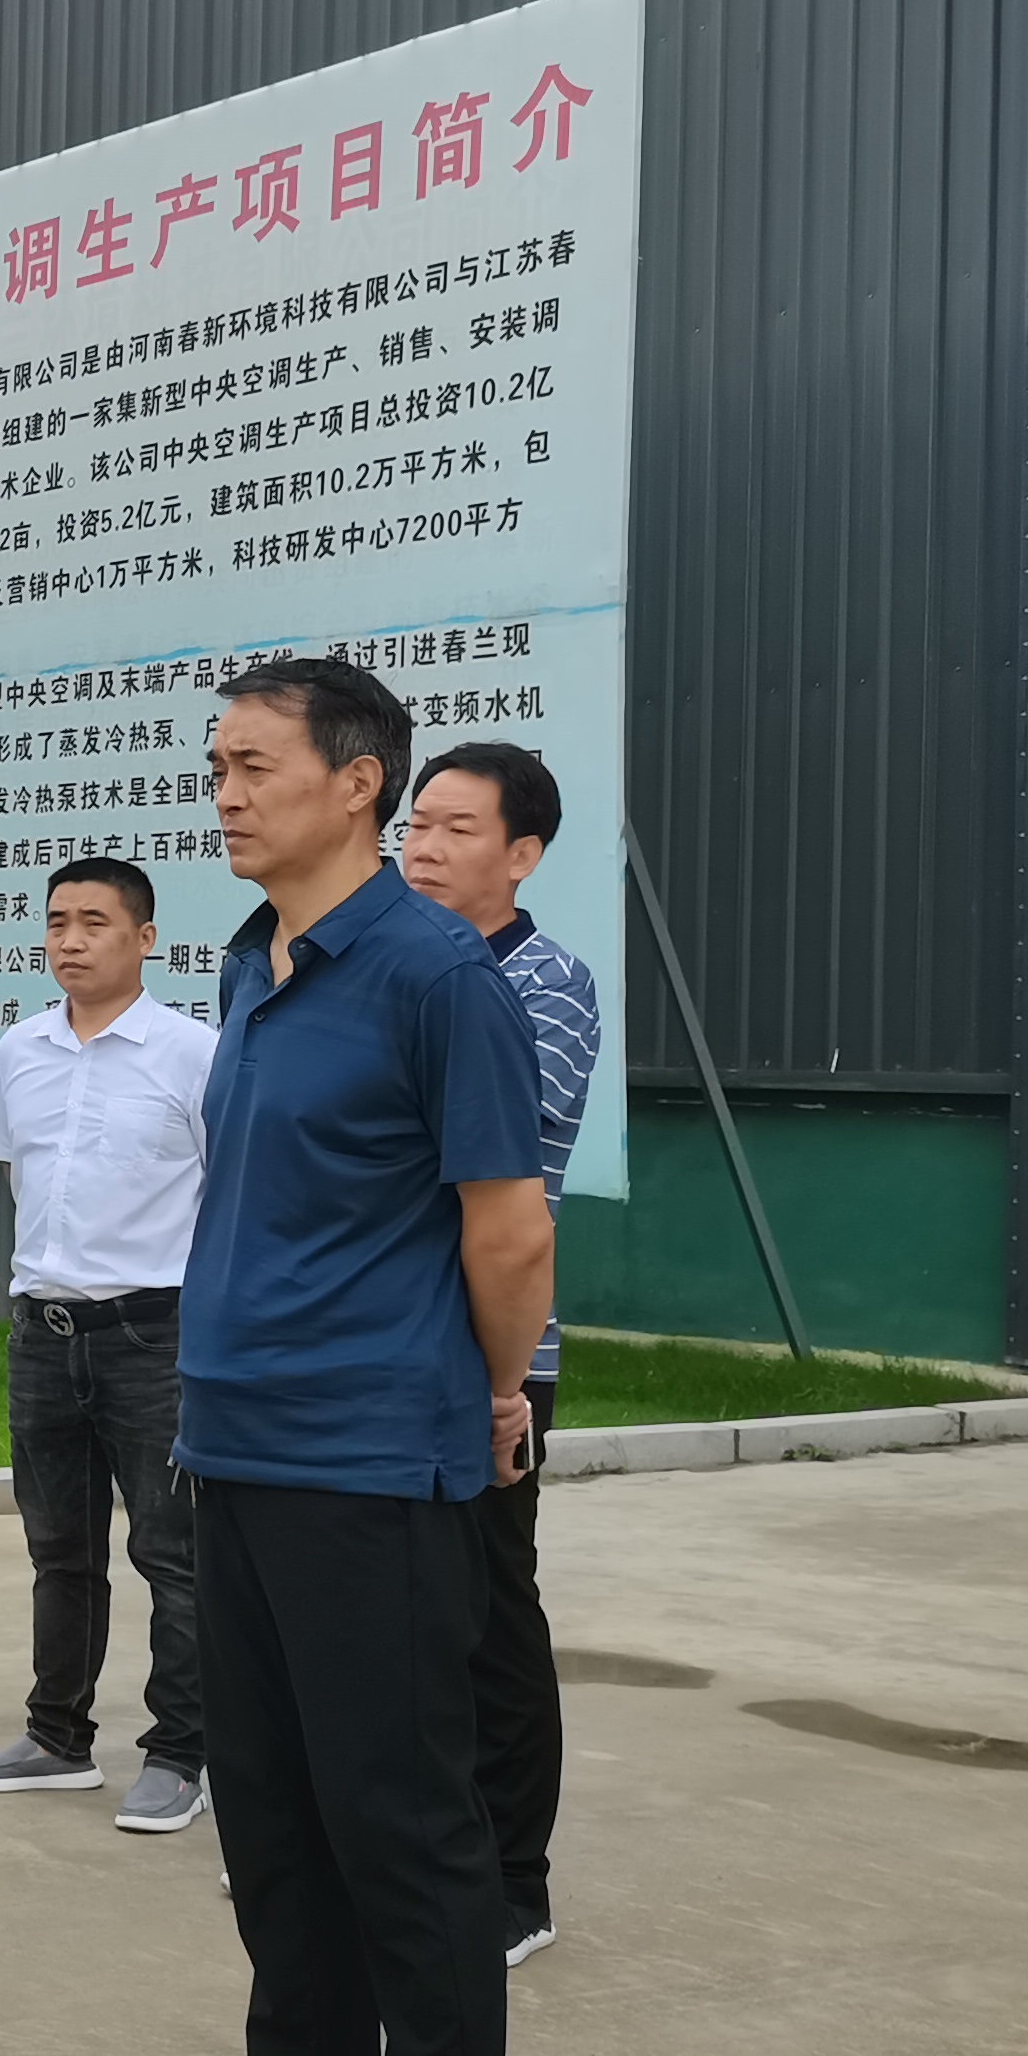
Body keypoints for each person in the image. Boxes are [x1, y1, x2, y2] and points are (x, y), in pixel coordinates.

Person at [113, 659, 551, 2056]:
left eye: (252, 765)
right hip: (234, 1449)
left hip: (370, 1461)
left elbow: (505, 1226)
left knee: (404, 1842)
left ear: (358, 781)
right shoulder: (256, 960)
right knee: (276, 1824)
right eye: (214, 767)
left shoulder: (434, 974)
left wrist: (491, 1391)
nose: (223, 793)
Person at [0, 858, 219, 1832]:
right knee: (59, 1549)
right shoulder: (19, 1050)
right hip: (43, 1334)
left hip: (155, 1336)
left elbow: (228, 1191)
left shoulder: (194, 1054)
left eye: (94, 922)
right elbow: (18, 1180)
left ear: (145, 939)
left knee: (171, 1554)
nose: (70, 940)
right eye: (57, 921)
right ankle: (57, 1737)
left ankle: (181, 1754)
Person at [401, 742, 604, 1969]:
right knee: (394, 1617)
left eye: (456, 829)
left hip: (495, 1351)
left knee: (488, 1616)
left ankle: (512, 1880)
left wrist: (499, 1379)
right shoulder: (397, 965)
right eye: (416, 825)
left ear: (522, 855)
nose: (423, 848)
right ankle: (400, 1850)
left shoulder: (547, 984)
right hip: (382, 1346)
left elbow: (486, 1164)